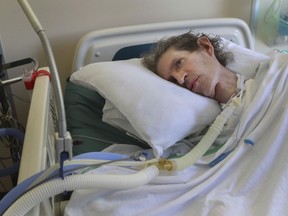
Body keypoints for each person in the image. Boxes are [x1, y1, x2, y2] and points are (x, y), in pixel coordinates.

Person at [142, 32, 238, 104]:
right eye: (173, 80)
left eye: (178, 63)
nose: (180, 80)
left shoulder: (253, 89)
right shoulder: (206, 127)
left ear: (206, 47)